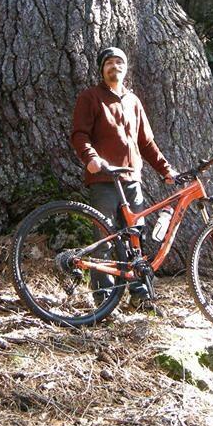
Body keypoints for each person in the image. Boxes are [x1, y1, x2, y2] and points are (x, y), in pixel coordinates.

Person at [70, 46, 178, 304]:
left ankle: (139, 295)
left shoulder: (133, 101)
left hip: (132, 181)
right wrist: (91, 158)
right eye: (109, 63)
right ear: (101, 69)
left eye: (119, 62)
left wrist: (166, 170)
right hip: (104, 180)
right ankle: (104, 299)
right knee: (105, 239)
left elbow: (146, 143)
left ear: (126, 67)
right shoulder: (91, 97)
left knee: (135, 237)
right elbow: (79, 134)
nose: (114, 67)